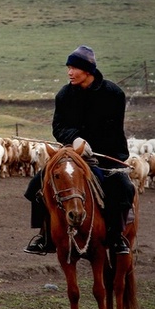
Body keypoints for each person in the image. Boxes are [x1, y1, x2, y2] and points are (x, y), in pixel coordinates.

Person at [24, 44, 136, 256]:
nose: (69, 72)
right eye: (68, 68)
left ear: (88, 71)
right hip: (72, 153)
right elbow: (58, 127)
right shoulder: (65, 95)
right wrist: (74, 139)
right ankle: (44, 236)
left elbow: (114, 128)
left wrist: (90, 146)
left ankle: (116, 236)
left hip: (107, 155)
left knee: (123, 188)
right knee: (36, 186)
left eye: (74, 68)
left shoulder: (114, 94)